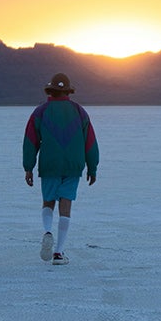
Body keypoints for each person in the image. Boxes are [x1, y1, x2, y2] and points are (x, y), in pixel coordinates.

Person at [23, 72, 99, 265]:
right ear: (68, 91)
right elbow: (90, 142)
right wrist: (92, 167)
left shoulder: (40, 112)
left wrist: (28, 167)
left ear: (51, 91)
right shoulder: (79, 111)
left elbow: (30, 142)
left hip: (50, 164)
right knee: (66, 205)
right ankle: (58, 253)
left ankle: (47, 231)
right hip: (73, 164)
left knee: (48, 201)